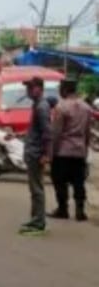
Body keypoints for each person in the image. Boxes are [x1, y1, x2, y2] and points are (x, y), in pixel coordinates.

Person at [49, 79, 92, 222]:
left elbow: (56, 132)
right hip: (79, 151)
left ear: (65, 90)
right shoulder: (86, 108)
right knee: (79, 181)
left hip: (63, 151)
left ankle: (63, 209)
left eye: (61, 89)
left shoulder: (61, 108)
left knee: (60, 181)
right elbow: (87, 132)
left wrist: (51, 153)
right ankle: (80, 210)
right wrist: (85, 150)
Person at [19, 77, 52, 236]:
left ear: (39, 88)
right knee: (34, 188)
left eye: (30, 87)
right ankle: (35, 219)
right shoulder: (37, 105)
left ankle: (39, 222)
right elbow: (36, 131)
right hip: (33, 151)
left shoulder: (42, 107)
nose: (28, 91)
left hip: (36, 153)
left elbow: (47, 133)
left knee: (37, 189)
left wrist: (46, 154)